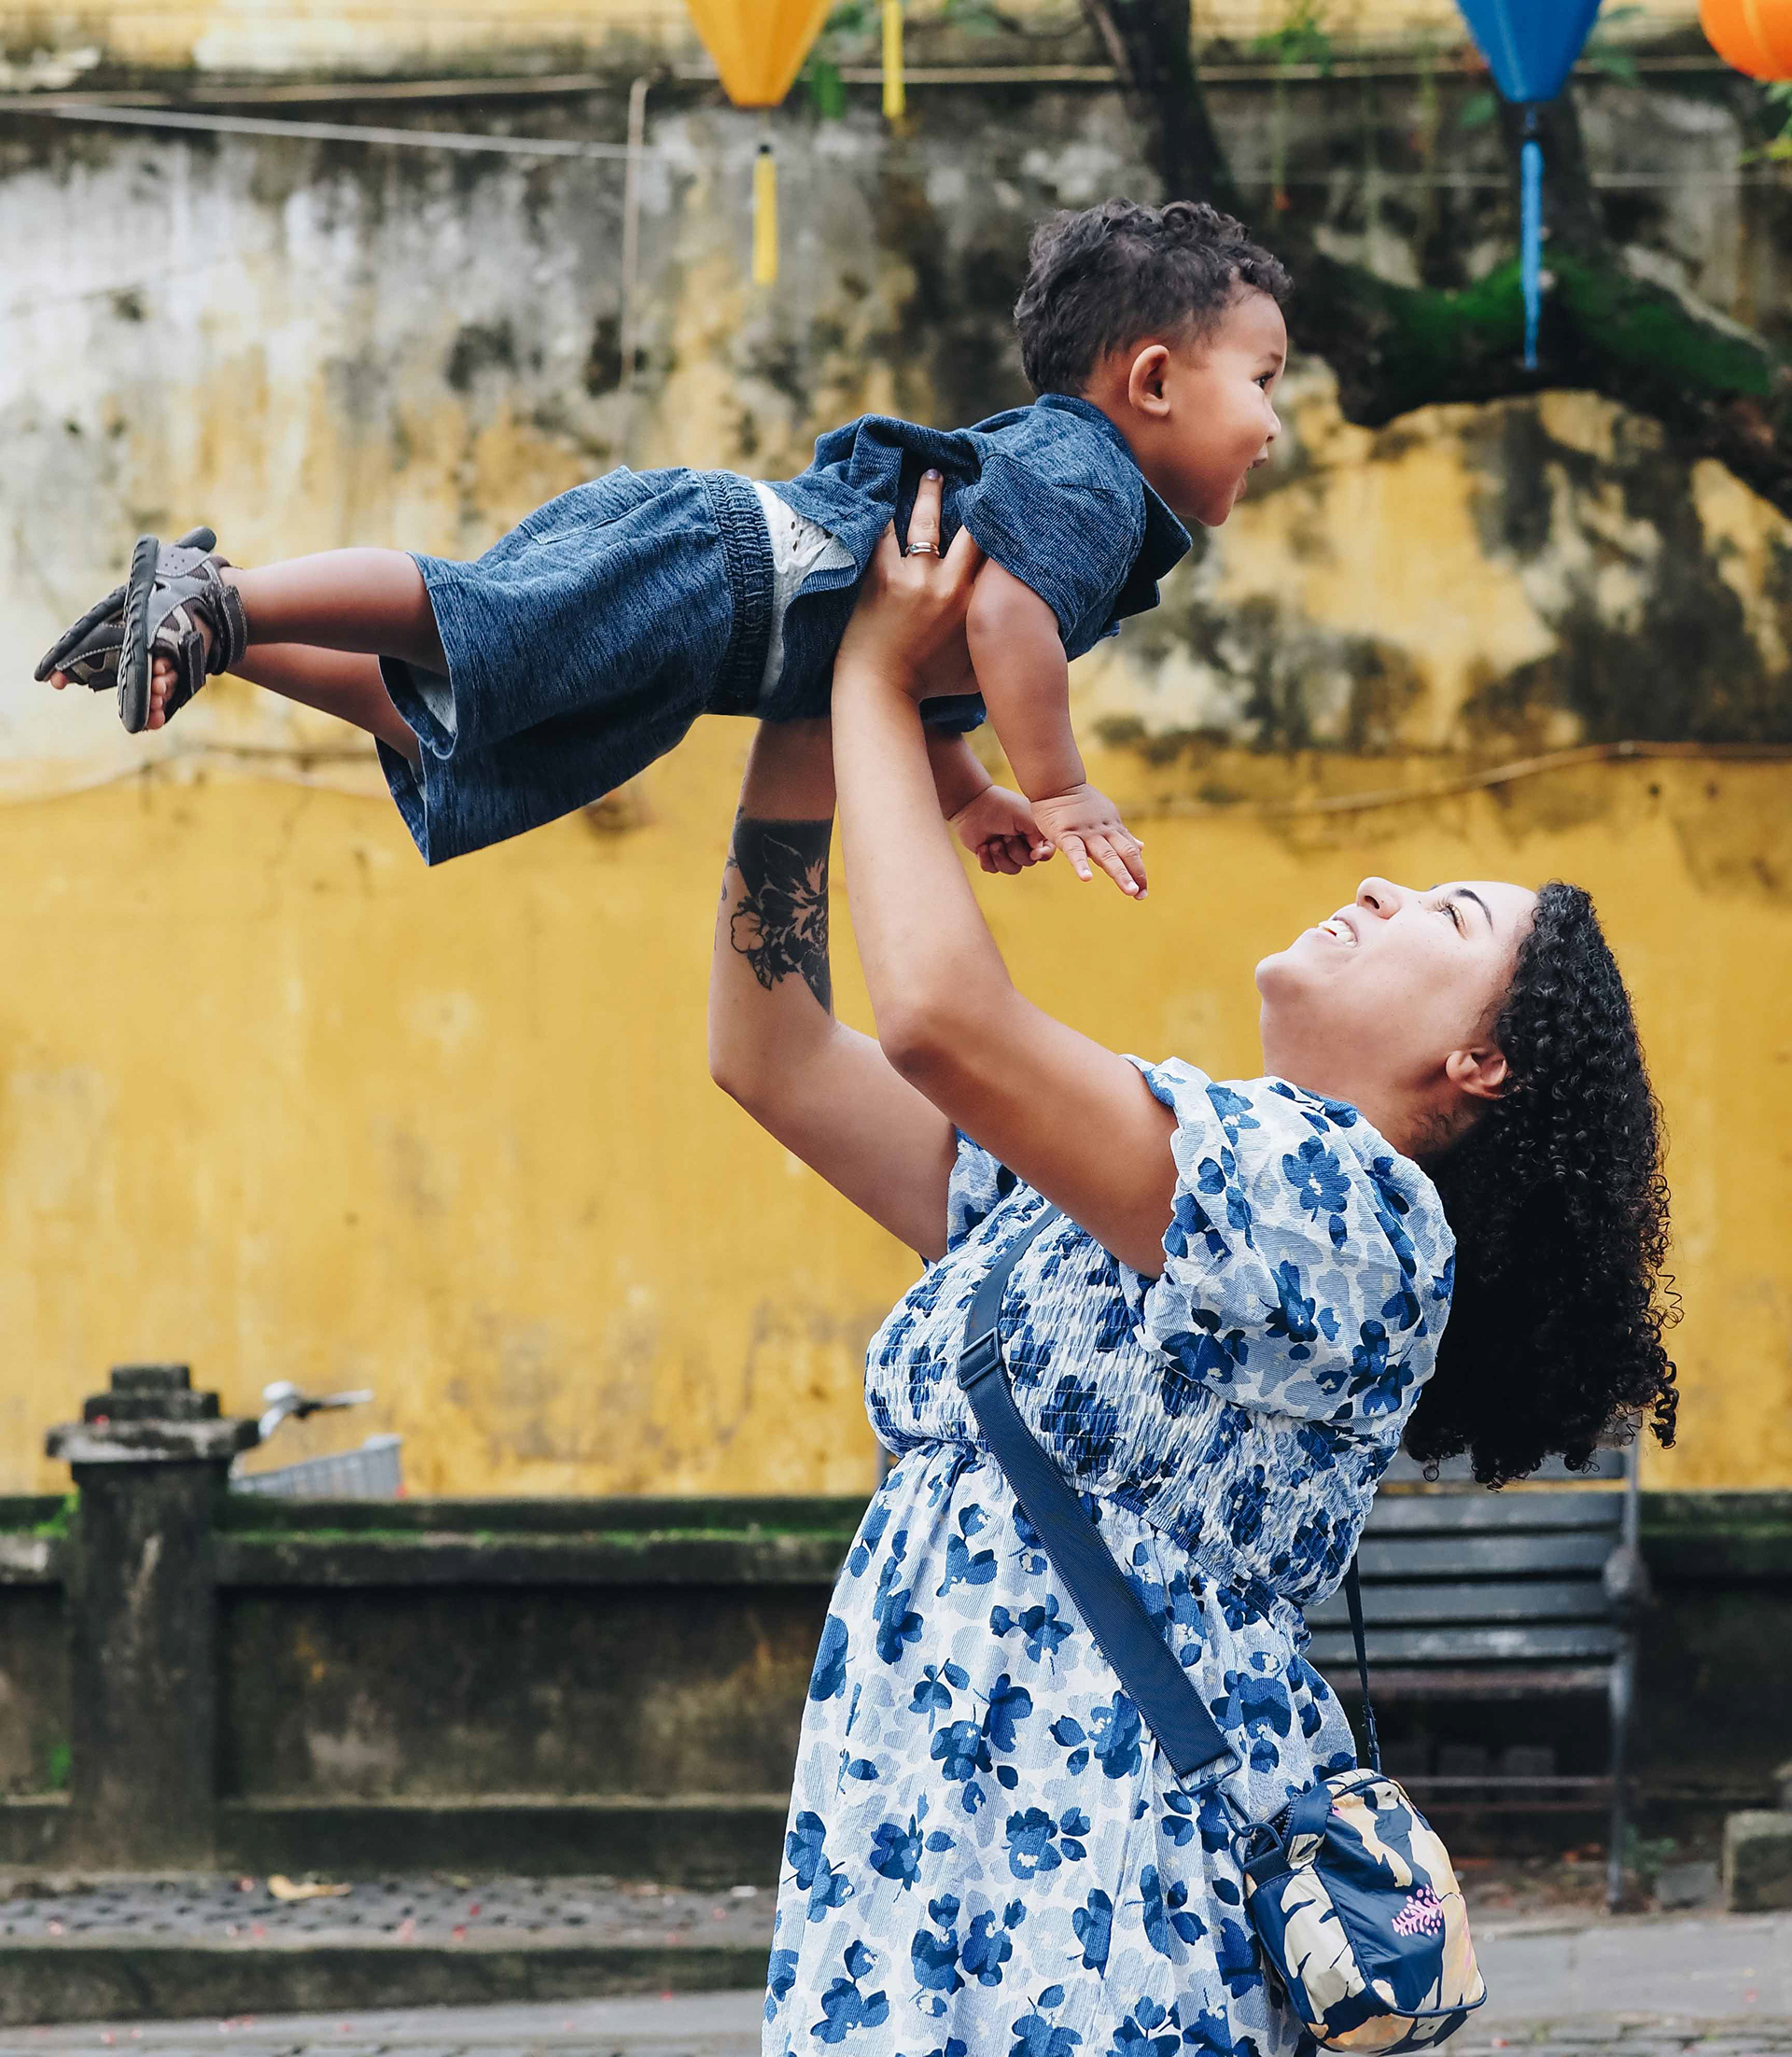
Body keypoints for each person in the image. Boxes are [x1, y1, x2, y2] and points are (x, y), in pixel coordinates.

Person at [708, 471, 1678, 2057]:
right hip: (923, 1840)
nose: (1378, 889)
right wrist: (803, 708)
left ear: (1481, 1065)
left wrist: (877, 678)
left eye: (1445, 915)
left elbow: (941, 1023)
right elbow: (777, 1058)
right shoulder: (1153, 1179)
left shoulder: (1345, 1214)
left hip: (1093, 1870)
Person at [35, 201, 1290, 893]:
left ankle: (222, 634)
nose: (1277, 425)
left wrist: (970, 798)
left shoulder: (1077, 497)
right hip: (721, 572)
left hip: (719, 643)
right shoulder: (1090, 474)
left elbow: (922, 677)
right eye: (1265, 380)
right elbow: (1004, 623)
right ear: (1154, 380)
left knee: (477, 732)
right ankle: (228, 596)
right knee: (478, 622)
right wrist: (1061, 787)